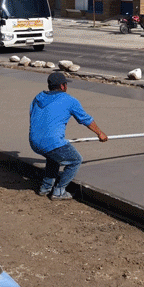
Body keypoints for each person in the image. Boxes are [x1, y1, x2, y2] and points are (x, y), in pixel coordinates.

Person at [29, 72, 108, 200]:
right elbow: (85, 119)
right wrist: (100, 133)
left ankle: (45, 188)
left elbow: (33, 117)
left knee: (54, 156)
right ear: (62, 86)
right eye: (66, 84)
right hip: (51, 141)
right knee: (75, 160)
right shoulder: (69, 100)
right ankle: (59, 191)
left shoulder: (38, 98)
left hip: (34, 141)